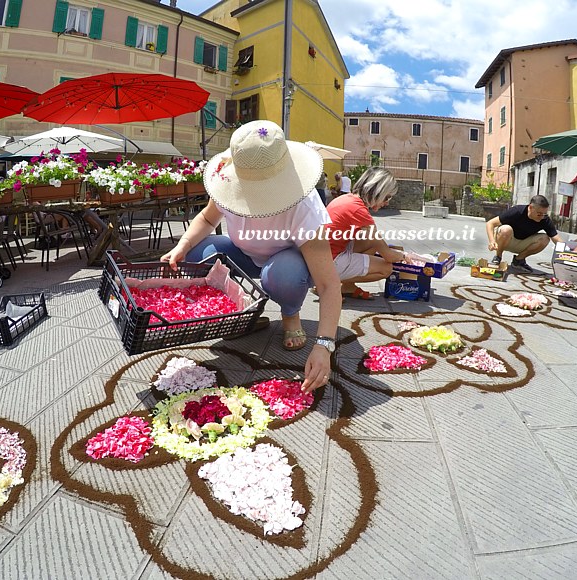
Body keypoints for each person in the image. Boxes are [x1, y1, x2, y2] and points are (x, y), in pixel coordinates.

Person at [160, 120, 342, 394]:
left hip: (284, 260)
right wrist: (181, 246)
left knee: (281, 276)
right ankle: (241, 310)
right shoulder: (226, 179)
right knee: (199, 254)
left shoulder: (303, 205)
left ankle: (290, 313)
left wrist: (325, 345)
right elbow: (208, 219)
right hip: (241, 253)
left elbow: (329, 285)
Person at [324, 167, 404, 299]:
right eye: (387, 197)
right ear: (378, 191)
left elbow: (374, 242)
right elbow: (388, 256)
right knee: (386, 269)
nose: (387, 203)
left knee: (372, 244)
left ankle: (347, 286)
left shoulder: (348, 199)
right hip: (329, 262)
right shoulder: (359, 211)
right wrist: (404, 256)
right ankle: (328, 284)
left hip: (322, 255)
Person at [485, 194, 563, 273]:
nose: (542, 217)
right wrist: (492, 241)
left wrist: (567, 252)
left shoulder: (544, 219)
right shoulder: (517, 211)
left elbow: (556, 238)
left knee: (545, 239)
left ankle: (518, 260)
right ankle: (498, 257)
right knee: (506, 229)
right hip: (505, 240)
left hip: (523, 244)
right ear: (530, 207)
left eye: (544, 214)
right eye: (539, 214)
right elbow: (490, 223)